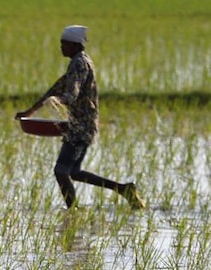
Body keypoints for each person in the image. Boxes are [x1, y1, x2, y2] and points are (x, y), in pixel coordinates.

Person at [16, 25, 146, 209]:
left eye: (64, 44)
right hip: (79, 126)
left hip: (81, 127)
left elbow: (71, 94)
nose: (61, 47)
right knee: (73, 172)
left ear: (75, 45)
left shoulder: (79, 64)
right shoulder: (77, 62)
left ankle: (73, 212)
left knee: (61, 171)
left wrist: (59, 100)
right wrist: (30, 112)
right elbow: (56, 88)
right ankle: (123, 189)